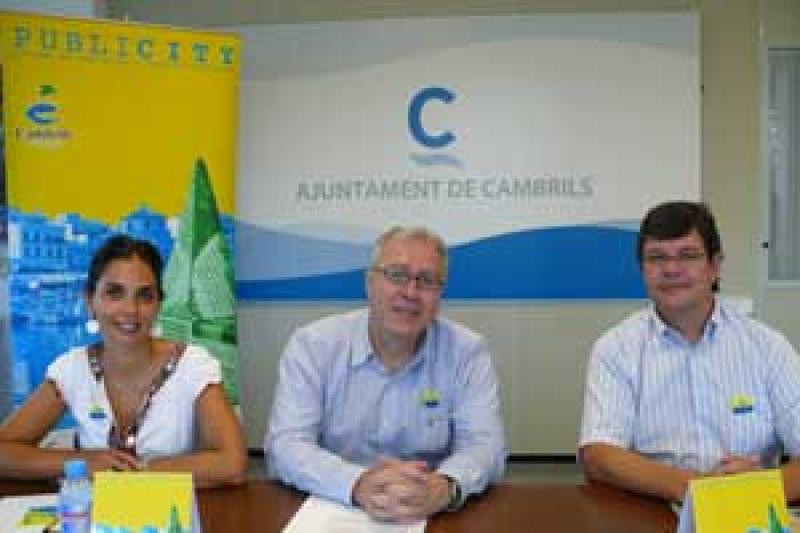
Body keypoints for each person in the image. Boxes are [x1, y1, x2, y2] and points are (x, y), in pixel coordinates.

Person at [265, 226, 506, 522]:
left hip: (428, 510)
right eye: (397, 275)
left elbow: (486, 446)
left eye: (427, 281)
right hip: (334, 505)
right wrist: (358, 483)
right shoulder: (313, 346)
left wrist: (444, 487)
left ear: (440, 293)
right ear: (369, 283)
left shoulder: (467, 352)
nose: (410, 293)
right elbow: (286, 445)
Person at [579, 201, 800, 502]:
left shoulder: (768, 347)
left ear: (715, 266)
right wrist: (698, 488)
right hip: (652, 509)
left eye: (688, 255)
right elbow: (599, 455)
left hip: (750, 509)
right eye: (657, 258)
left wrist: (755, 488)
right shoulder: (615, 349)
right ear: (642, 269)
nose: (671, 269)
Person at [0, 234, 246, 487]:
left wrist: (134, 471)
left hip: (173, 509)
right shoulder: (72, 369)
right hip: (97, 510)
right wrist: (85, 462)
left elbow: (232, 464)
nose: (130, 309)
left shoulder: (192, 365)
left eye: (145, 296)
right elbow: (4, 452)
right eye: (114, 293)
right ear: (90, 301)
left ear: (158, 305)